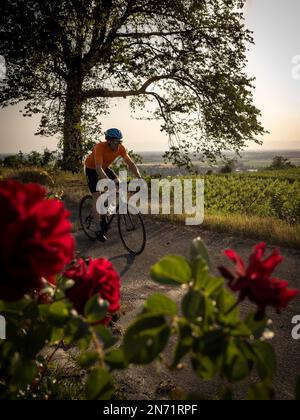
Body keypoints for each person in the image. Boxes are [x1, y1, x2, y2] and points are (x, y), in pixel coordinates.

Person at [84, 128, 141, 242]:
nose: (118, 144)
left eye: (119, 141)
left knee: (118, 185)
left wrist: (139, 177)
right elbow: (98, 168)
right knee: (97, 197)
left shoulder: (121, 148)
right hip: (92, 169)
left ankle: (106, 208)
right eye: (115, 142)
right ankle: (98, 228)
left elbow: (130, 163)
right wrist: (108, 182)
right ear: (108, 141)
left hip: (104, 168)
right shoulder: (100, 147)